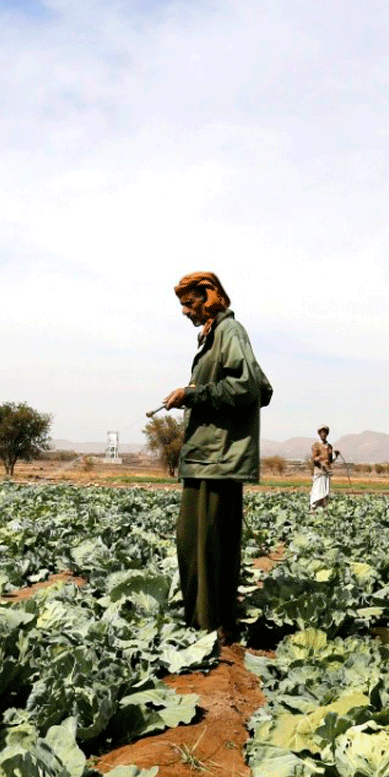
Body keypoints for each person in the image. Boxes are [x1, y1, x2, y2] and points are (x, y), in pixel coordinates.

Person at [163, 271, 273, 643]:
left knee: (209, 544)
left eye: (188, 303)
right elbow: (257, 385)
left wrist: (193, 394)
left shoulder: (230, 332)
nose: (184, 311)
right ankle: (204, 622)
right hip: (204, 455)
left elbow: (248, 387)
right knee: (192, 542)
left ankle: (213, 627)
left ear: (209, 297)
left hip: (219, 457)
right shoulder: (213, 336)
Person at [309, 425, 335, 510]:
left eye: (325, 433)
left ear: (327, 434)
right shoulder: (316, 445)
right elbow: (314, 458)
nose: (323, 434)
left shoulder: (329, 446)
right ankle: (313, 508)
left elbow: (330, 460)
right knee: (317, 491)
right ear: (319, 434)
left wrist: (336, 456)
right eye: (322, 432)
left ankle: (323, 509)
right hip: (319, 471)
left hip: (327, 472)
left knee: (325, 492)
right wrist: (320, 461)